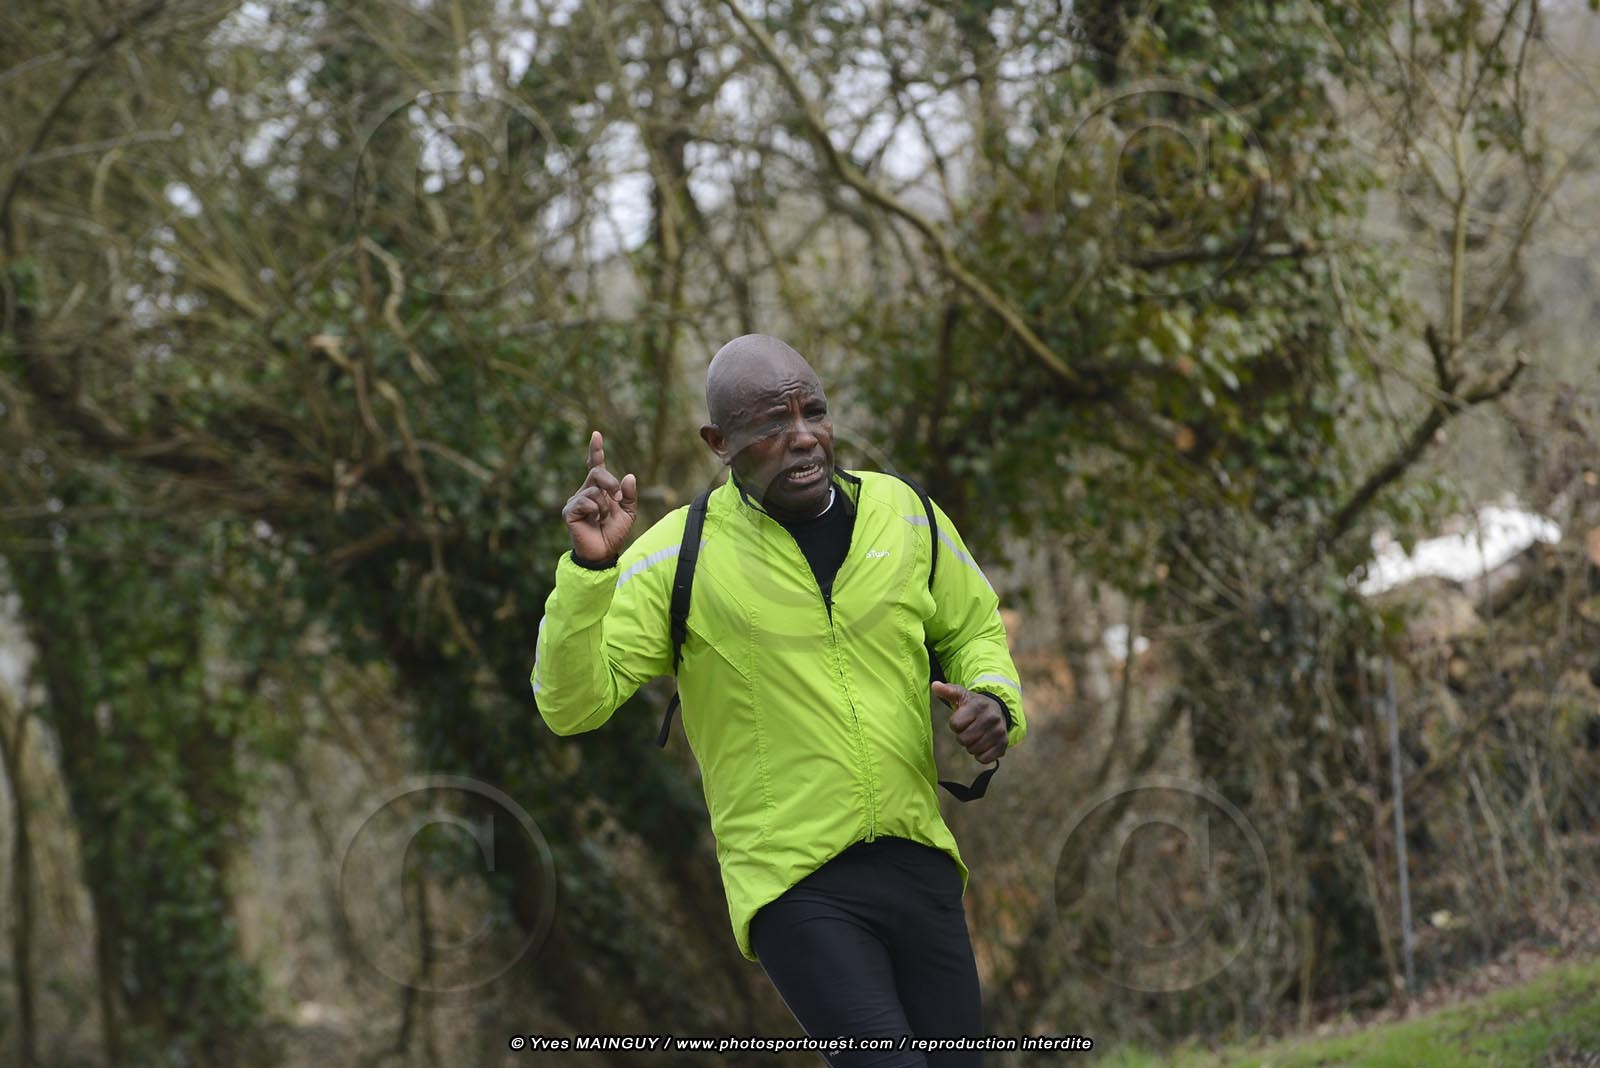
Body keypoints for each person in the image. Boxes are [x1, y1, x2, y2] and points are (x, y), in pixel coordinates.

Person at [532, 334, 1026, 1066]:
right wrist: (588, 572)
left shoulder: (906, 515)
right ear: (719, 443)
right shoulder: (678, 555)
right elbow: (570, 704)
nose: (803, 437)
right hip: (794, 884)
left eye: (813, 412)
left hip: (919, 857)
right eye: (771, 423)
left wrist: (993, 698)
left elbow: (973, 629)